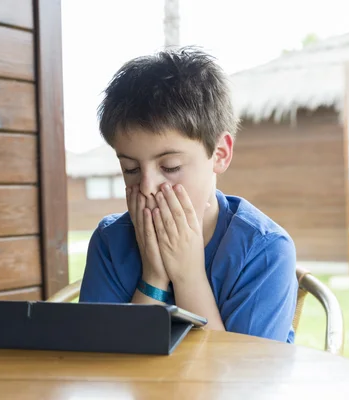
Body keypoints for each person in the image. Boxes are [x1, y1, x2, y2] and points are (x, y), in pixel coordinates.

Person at [79, 46, 298, 343]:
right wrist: (153, 276)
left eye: (170, 167)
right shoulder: (111, 241)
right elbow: (103, 365)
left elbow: (239, 381)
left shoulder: (264, 250)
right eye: (130, 169)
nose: (147, 187)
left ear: (219, 154)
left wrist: (187, 275)